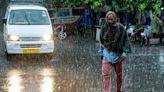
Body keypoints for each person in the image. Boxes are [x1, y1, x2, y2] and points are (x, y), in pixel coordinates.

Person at [99, 11, 131, 92]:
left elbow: (126, 40)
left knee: (119, 76)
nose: (110, 20)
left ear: (115, 18)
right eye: (108, 18)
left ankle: (119, 89)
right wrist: (101, 52)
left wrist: (124, 53)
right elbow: (101, 41)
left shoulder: (121, 28)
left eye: (112, 18)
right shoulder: (104, 28)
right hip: (107, 56)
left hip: (118, 56)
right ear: (106, 19)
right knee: (106, 75)